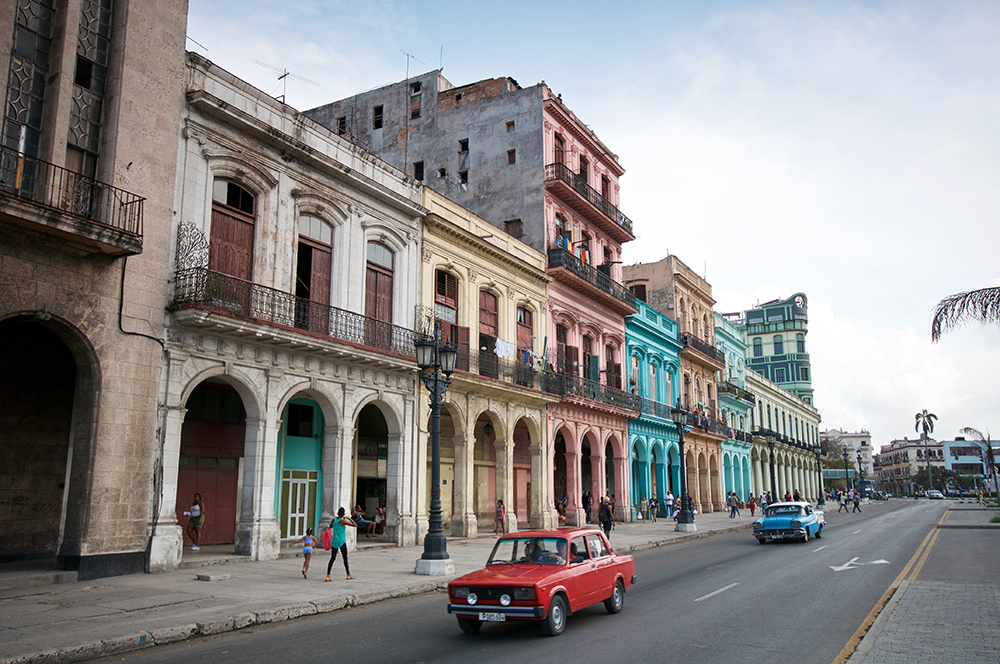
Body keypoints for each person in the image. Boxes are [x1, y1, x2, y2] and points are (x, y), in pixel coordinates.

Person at [325, 508, 357, 581]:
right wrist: (349, 518)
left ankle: (328, 575)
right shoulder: (343, 521)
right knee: (345, 557)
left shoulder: (334, 520)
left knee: (332, 558)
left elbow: (330, 526)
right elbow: (355, 525)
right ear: (344, 514)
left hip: (334, 540)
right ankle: (348, 574)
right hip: (341, 541)